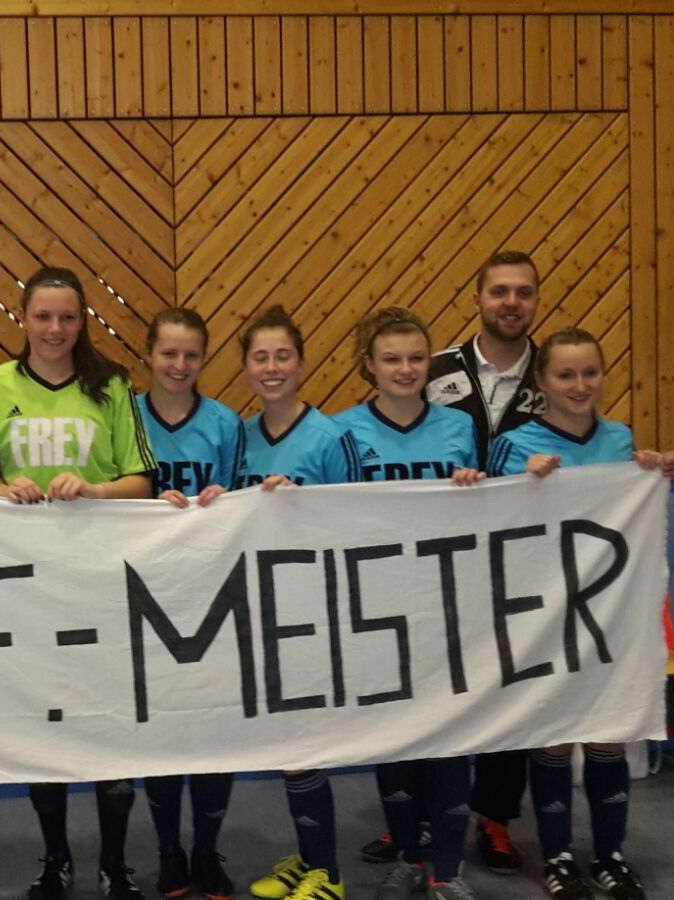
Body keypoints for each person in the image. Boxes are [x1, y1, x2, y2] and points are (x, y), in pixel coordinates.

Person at [485, 328, 674, 900]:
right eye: (566, 375)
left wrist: (652, 472)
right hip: (543, 616)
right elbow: (486, 524)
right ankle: (557, 856)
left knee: (607, 735)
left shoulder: (620, 439)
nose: (580, 385)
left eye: (590, 373)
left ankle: (610, 855)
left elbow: (630, 515)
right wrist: (522, 484)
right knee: (552, 737)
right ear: (542, 381)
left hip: (609, 613)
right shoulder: (514, 443)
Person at [0, 266, 156, 900]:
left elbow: (143, 480)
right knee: (44, 723)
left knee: (110, 722)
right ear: (23, 319)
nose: (55, 328)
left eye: (68, 317)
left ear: (83, 322)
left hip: (100, 577)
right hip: (27, 583)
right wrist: (4, 488)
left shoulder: (113, 385)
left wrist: (96, 490)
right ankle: (55, 858)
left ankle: (114, 862)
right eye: (43, 316)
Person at [333, 308, 483, 900]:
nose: (405, 369)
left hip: (445, 604)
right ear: (368, 365)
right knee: (394, 735)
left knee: (449, 736)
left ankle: (448, 869)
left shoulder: (458, 427)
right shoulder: (345, 432)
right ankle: (406, 855)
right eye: (391, 359)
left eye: (416, 358)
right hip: (378, 609)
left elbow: (489, 510)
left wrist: (473, 489)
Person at [407, 249, 545, 875]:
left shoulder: (555, 370)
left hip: (520, 558)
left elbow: (589, 438)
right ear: (478, 299)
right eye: (499, 291)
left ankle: (495, 818)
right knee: (426, 688)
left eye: (523, 292)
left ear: (535, 301)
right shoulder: (432, 369)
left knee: (506, 691)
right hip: (435, 559)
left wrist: (639, 465)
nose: (511, 302)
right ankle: (415, 818)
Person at [233, 305, 359, 900]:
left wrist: (299, 505)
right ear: (245, 368)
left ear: (302, 364)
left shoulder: (331, 437)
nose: (272, 367)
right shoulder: (240, 436)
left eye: (283, 356)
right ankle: (309, 858)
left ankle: (328, 874)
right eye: (261, 357)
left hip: (313, 610)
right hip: (259, 607)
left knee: (303, 744)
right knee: (288, 743)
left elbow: (359, 521)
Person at [134, 308, 240, 899]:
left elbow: (243, 505)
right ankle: (169, 850)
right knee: (162, 730)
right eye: (169, 353)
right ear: (149, 354)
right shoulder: (125, 417)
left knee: (212, 729)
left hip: (210, 592)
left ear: (204, 359)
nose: (179, 365)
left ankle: (206, 849)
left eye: (191, 355)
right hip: (144, 592)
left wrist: (224, 499)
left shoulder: (225, 423)